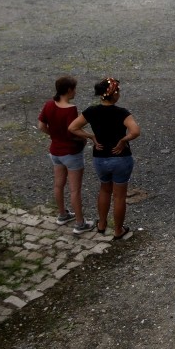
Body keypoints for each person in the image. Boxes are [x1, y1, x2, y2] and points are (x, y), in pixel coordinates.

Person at [68, 77, 140, 239]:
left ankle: (101, 225)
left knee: (104, 190)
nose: (119, 93)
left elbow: (72, 127)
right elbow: (135, 131)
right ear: (113, 94)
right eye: (118, 91)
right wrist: (123, 140)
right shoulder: (122, 113)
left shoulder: (91, 111)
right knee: (119, 196)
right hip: (120, 158)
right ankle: (118, 230)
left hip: (100, 158)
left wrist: (91, 137)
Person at [37, 76, 91, 233]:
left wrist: (53, 135)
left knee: (58, 185)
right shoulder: (70, 109)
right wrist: (86, 137)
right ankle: (80, 223)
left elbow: (41, 125)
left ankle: (62, 214)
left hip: (55, 151)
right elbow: (73, 131)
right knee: (75, 190)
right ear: (68, 90)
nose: (76, 91)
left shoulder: (48, 105)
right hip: (71, 153)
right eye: (74, 88)